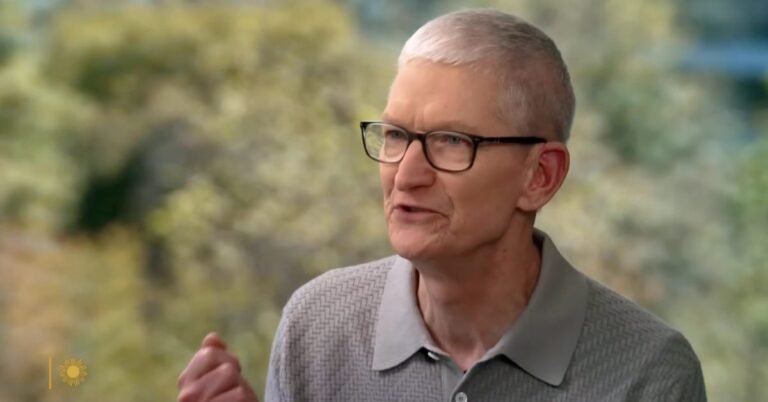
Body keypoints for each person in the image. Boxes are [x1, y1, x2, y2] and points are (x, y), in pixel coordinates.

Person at [176, 8, 707, 402]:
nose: (406, 174)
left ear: (540, 176)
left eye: (452, 141)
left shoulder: (648, 372)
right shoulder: (316, 326)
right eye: (395, 135)